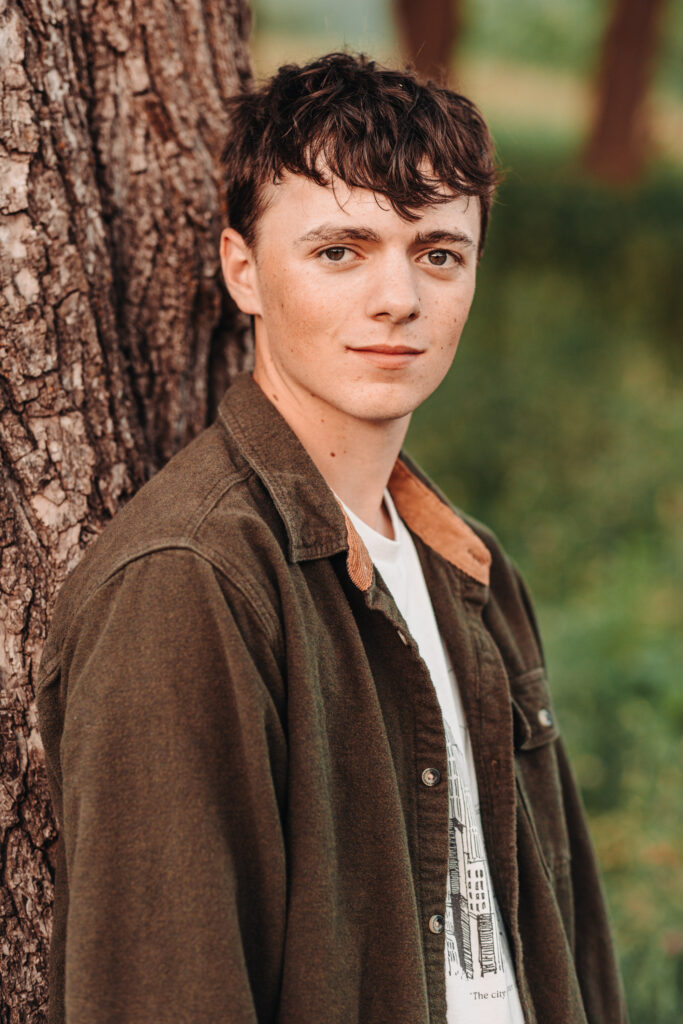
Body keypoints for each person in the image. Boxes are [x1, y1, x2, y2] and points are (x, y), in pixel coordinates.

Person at [37, 52, 628, 1024]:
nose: (397, 298)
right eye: (339, 251)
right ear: (243, 271)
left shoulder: (469, 568)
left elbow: (568, 940)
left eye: (436, 251)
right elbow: (162, 991)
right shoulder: (188, 583)